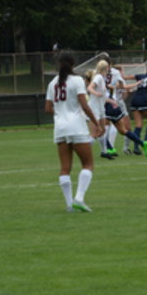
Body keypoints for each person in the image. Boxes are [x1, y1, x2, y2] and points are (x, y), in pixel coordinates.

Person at [45, 51, 103, 213]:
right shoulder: (77, 80)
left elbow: (48, 108)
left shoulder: (52, 83)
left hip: (60, 128)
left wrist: (60, 112)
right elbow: (84, 105)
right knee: (88, 164)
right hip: (76, 126)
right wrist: (96, 123)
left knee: (65, 168)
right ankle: (79, 198)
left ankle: (70, 205)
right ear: (73, 64)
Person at [87, 59, 115, 159]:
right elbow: (90, 88)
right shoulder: (98, 77)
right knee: (94, 134)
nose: (109, 69)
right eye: (108, 67)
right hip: (94, 108)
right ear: (105, 68)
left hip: (101, 108)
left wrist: (112, 101)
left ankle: (104, 152)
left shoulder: (102, 79)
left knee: (102, 130)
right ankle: (84, 152)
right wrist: (96, 93)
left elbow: (103, 96)